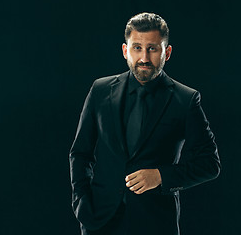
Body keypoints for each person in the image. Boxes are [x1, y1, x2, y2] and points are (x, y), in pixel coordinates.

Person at [69, 12, 221, 235]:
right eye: (137, 48)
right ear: (125, 51)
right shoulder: (100, 91)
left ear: (166, 52)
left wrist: (161, 176)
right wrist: (81, 203)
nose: (144, 58)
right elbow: (80, 154)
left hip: (155, 223)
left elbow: (210, 164)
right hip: (99, 221)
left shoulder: (185, 100)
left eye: (152, 48)